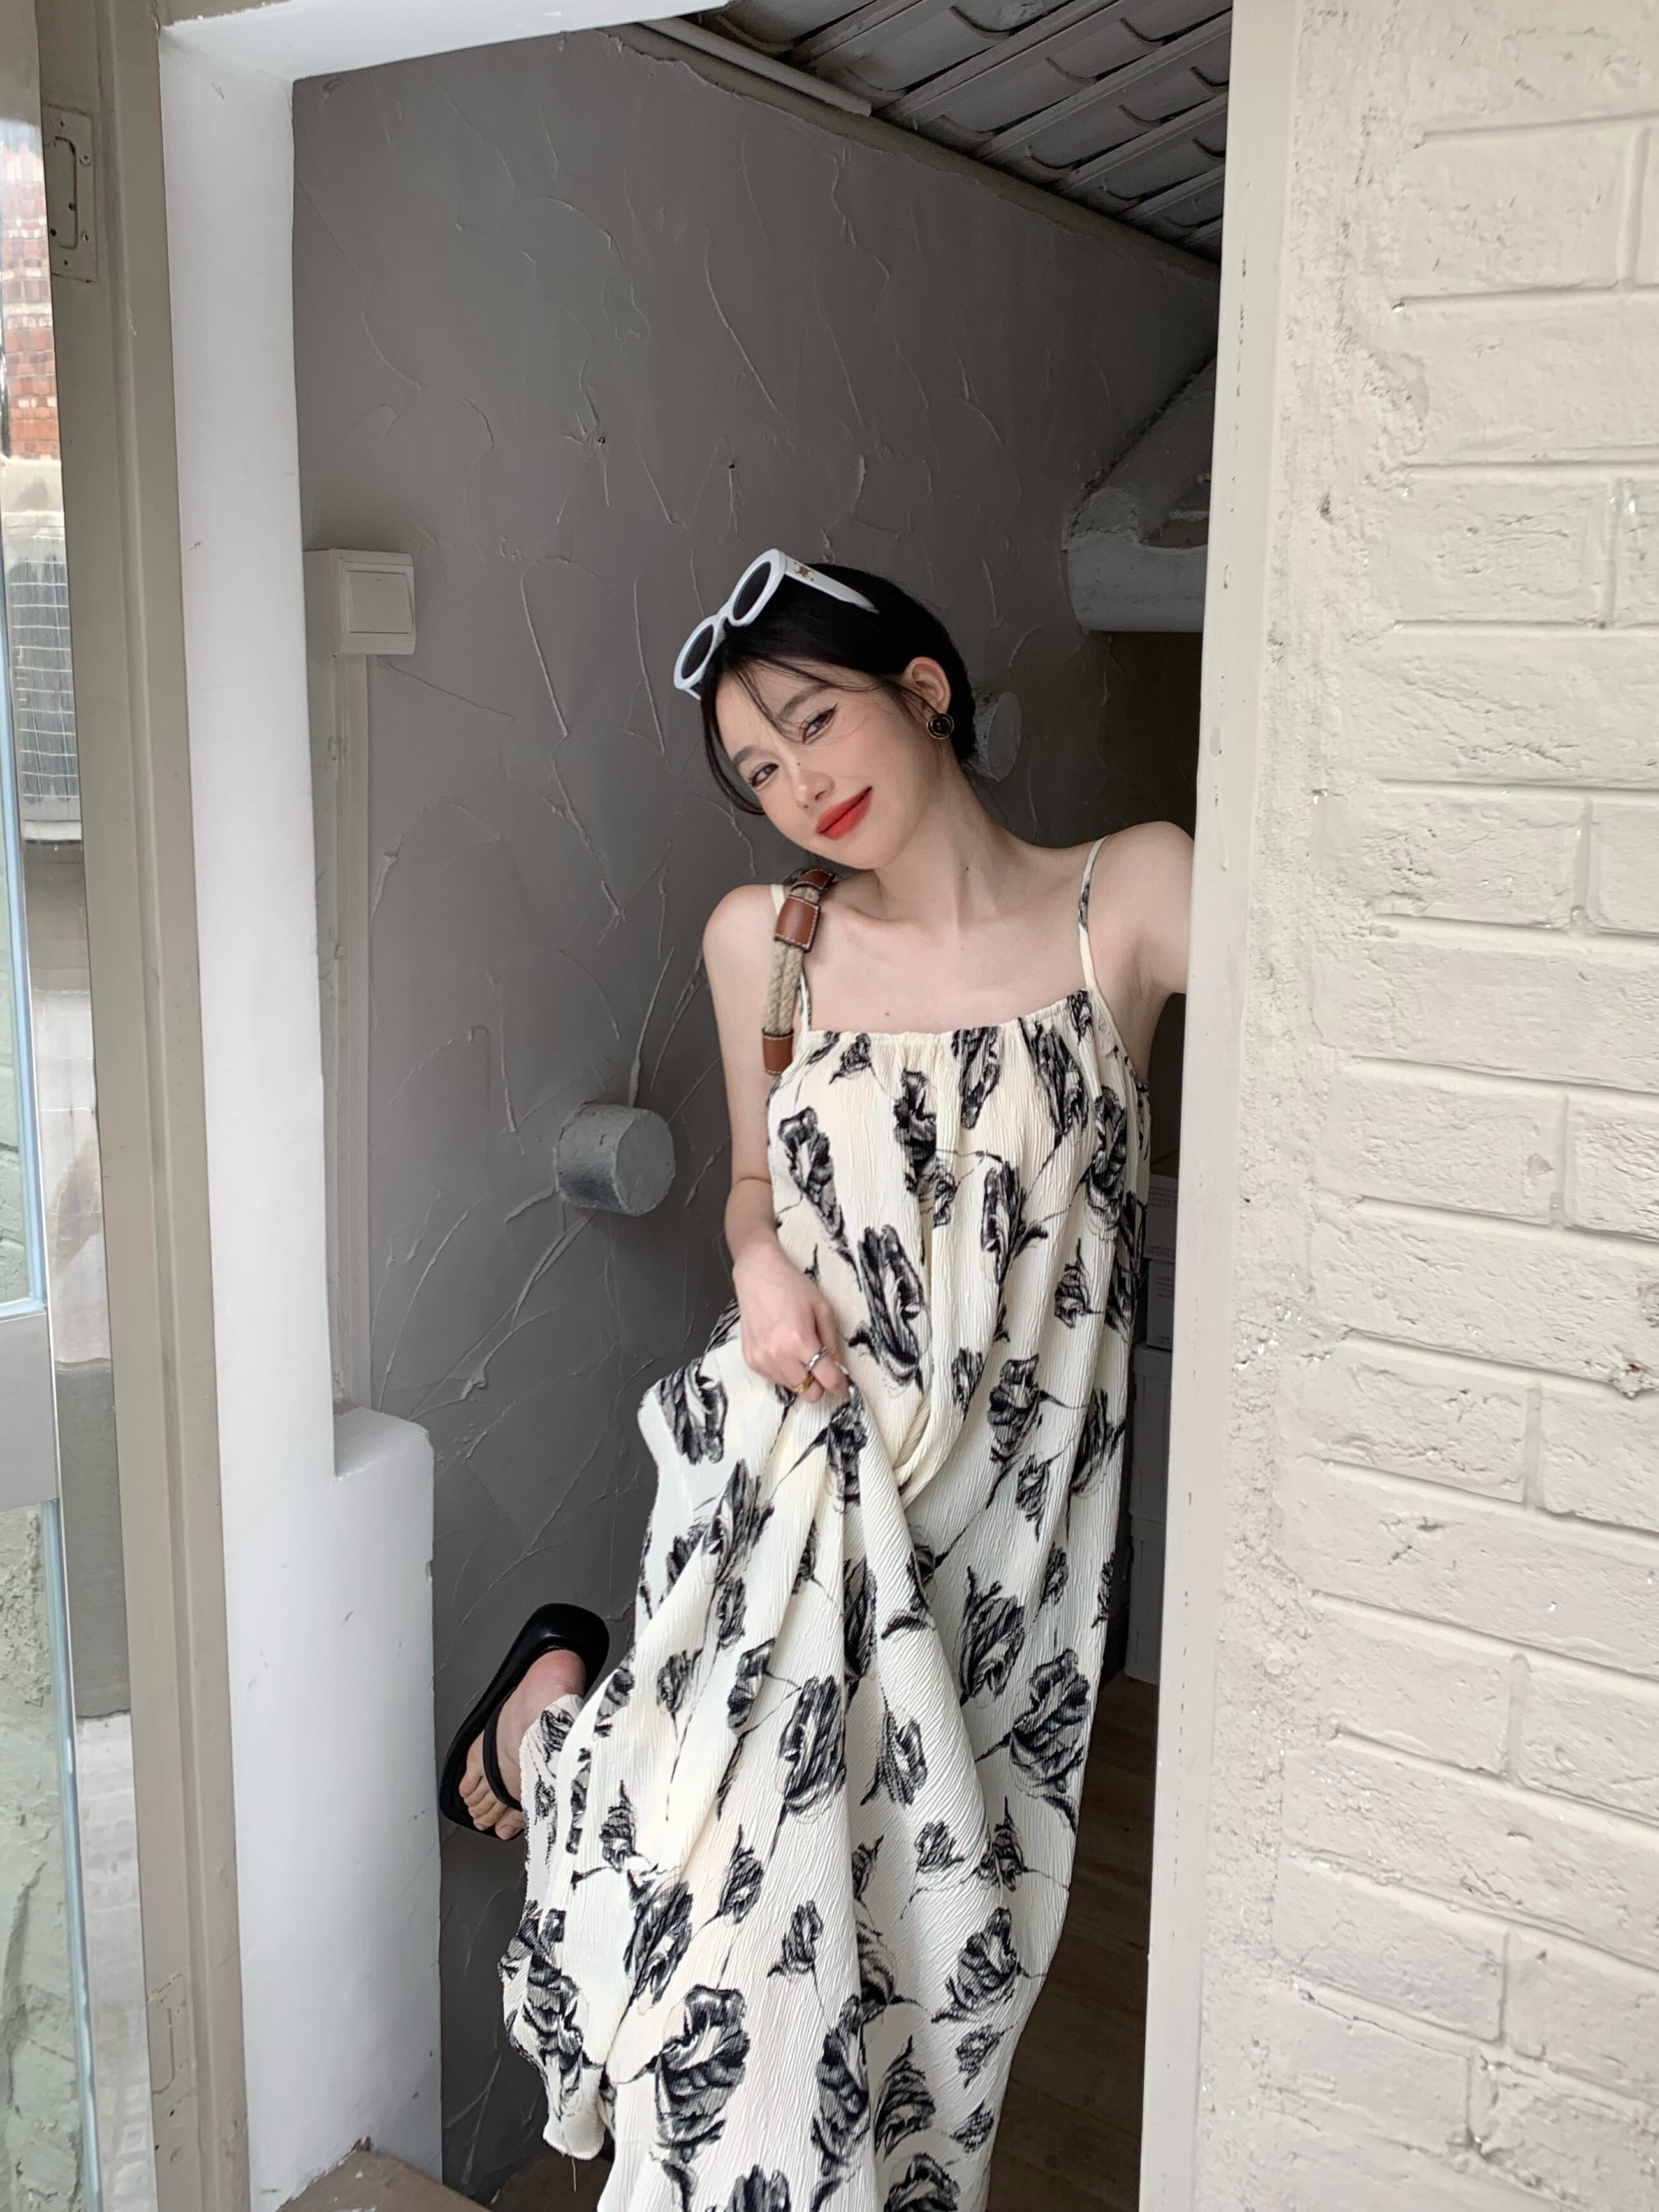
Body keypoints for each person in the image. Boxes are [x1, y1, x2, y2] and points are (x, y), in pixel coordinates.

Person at [439, 552, 1191, 2211]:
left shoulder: (1128, 897)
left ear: (924, 690)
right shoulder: (762, 941)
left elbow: (1355, 1012)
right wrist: (755, 1267)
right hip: (799, 1475)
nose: (796, 782)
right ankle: (557, 1712)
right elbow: (745, 1187)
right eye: (757, 768)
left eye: (813, 721)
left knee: (940, 1977)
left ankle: (551, 1715)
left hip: (1007, 1543)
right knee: (740, 1970)